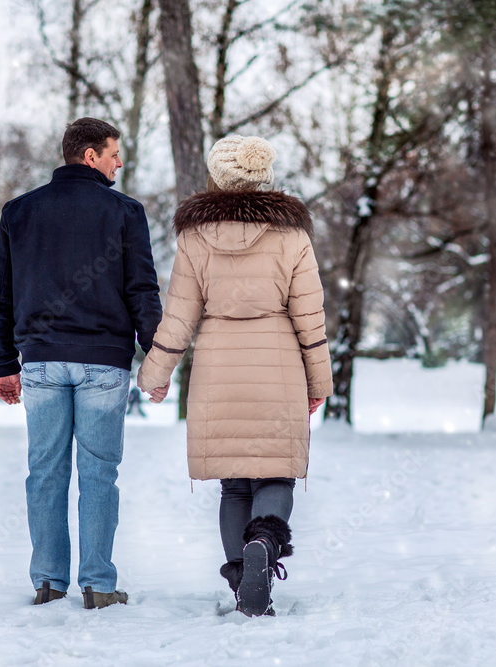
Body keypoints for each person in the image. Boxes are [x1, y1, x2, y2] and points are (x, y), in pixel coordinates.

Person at [137, 135, 332, 617]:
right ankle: (264, 542)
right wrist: (319, 383)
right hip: (279, 363)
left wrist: (155, 373)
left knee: (234, 485)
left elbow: (179, 314)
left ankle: (242, 575)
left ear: (219, 177)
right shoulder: (292, 235)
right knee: (276, 474)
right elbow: (311, 316)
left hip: (217, 367)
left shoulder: (194, 236)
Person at [0, 118, 162, 609]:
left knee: (44, 472)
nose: (118, 162)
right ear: (90, 156)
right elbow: (141, 291)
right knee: (99, 474)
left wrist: (4, 363)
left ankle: (47, 580)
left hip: (40, 362)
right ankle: (99, 586)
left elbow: (0, 294)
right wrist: (158, 357)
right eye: (112, 154)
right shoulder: (126, 212)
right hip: (104, 364)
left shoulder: (19, 212)